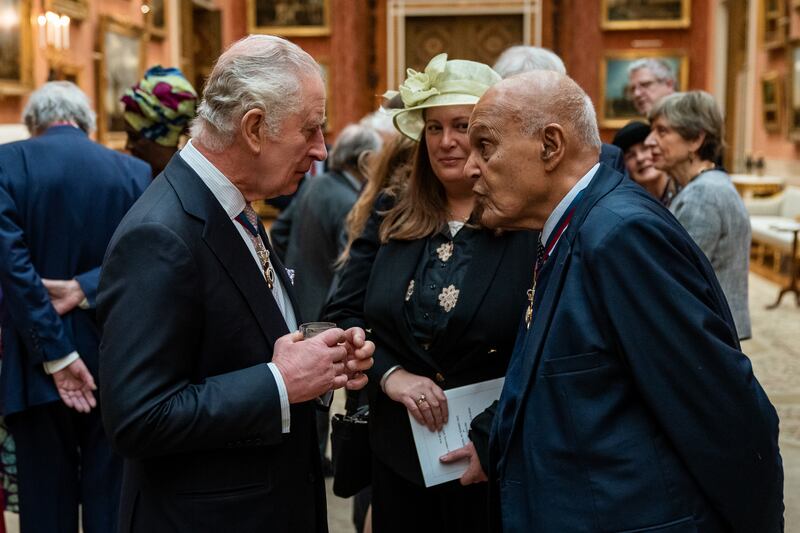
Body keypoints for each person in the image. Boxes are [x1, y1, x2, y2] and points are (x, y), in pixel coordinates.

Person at [459, 70, 783, 532]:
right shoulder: (571, 227)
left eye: (485, 147)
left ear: (551, 146)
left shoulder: (621, 236)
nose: (470, 166)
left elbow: (726, 417)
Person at [97, 35, 374, 533]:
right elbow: (137, 417)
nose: (321, 150)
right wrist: (281, 382)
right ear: (253, 128)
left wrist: (321, 357)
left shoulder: (229, 202)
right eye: (310, 129)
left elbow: (244, 336)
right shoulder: (159, 234)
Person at [329, 53, 537, 532]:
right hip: (397, 459)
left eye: (462, 125)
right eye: (434, 128)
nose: (446, 142)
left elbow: (544, 347)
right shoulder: (391, 213)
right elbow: (341, 314)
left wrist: (492, 438)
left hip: (489, 460)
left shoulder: (526, 224)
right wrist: (389, 375)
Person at [0, 81, 150, 533]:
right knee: (111, 506)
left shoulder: (8, 163)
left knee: (45, 512)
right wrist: (85, 287)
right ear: (86, 123)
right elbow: (145, 259)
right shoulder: (133, 172)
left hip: (33, 366)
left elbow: (12, 266)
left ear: (33, 125)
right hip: (113, 362)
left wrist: (56, 353)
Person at [273, 122, 382, 474]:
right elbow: (349, 268)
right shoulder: (350, 202)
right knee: (318, 392)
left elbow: (283, 229)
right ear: (365, 161)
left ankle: (312, 457)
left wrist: (291, 270)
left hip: (299, 298)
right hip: (326, 310)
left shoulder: (314, 186)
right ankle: (315, 460)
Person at [645, 91, 751, 340]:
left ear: (695, 140)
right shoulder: (704, 185)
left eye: (662, 131)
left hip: (706, 332)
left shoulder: (702, 194)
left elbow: (677, 277)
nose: (650, 140)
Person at [492, 45, 626, 175]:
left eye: (536, 94)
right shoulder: (485, 154)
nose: (524, 107)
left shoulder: (605, 159)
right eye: (514, 96)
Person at [121, 65, 198, 177]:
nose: (128, 146)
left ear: (165, 139)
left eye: (134, 137)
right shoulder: (141, 181)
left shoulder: (189, 189)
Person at [612, 120, 679, 206]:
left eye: (645, 148)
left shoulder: (683, 190)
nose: (640, 158)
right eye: (630, 156)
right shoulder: (628, 205)